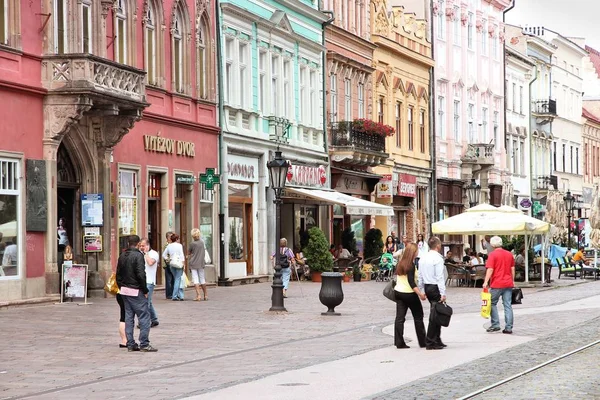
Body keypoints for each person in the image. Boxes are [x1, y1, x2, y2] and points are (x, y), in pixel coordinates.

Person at [116, 235, 157, 352]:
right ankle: (144, 343)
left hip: (124, 290)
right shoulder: (138, 256)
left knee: (129, 317)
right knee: (144, 316)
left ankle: (130, 343)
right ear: (138, 243)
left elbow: (118, 275)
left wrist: (121, 286)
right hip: (136, 290)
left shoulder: (122, 255)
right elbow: (141, 274)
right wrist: (145, 290)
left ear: (128, 243)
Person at [393, 243, 427, 349]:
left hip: (398, 292)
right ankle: (423, 342)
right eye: (416, 250)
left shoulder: (400, 263)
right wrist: (420, 294)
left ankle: (399, 342)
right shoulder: (411, 266)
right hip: (409, 294)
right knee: (418, 316)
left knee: (399, 318)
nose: (418, 252)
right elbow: (411, 283)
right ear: (413, 252)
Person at [417, 236, 447, 350]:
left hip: (428, 286)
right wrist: (442, 293)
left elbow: (420, 276)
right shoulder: (437, 259)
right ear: (438, 246)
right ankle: (430, 340)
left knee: (437, 313)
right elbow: (439, 276)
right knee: (435, 314)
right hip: (435, 287)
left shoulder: (423, 258)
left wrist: (422, 290)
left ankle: (437, 339)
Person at [483, 236, 515, 334]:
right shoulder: (509, 254)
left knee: (492, 303)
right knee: (507, 305)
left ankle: (495, 324)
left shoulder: (492, 255)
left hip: (497, 283)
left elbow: (490, 269)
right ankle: (509, 327)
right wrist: (512, 280)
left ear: (492, 245)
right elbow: (512, 268)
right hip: (508, 283)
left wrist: (485, 282)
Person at [140, 238, 159, 327]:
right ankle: (154, 319)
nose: (141, 247)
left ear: (148, 245)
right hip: (142, 280)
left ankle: (144, 322)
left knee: (145, 302)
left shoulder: (154, 254)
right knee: (148, 302)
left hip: (149, 281)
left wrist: (146, 253)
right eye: (140, 246)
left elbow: (150, 262)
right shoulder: (140, 254)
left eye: (143, 246)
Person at [163, 234, 186, 301]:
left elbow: (164, 255)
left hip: (172, 264)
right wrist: (183, 263)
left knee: (176, 279)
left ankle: (180, 295)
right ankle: (175, 295)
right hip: (179, 263)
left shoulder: (169, 246)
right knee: (178, 279)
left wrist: (168, 259)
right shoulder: (179, 245)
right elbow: (182, 255)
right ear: (176, 239)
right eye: (178, 238)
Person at [188, 228, 207, 301]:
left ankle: (198, 295)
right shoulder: (202, 242)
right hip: (201, 263)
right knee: (202, 279)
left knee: (195, 279)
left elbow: (189, 252)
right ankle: (205, 295)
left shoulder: (192, 244)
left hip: (193, 263)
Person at [162, 231, 175, 299]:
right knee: (168, 280)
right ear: (167, 238)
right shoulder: (166, 246)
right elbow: (165, 255)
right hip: (167, 265)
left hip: (174, 264)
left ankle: (173, 292)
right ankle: (168, 294)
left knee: (173, 279)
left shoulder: (174, 245)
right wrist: (168, 261)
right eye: (170, 237)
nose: (171, 238)